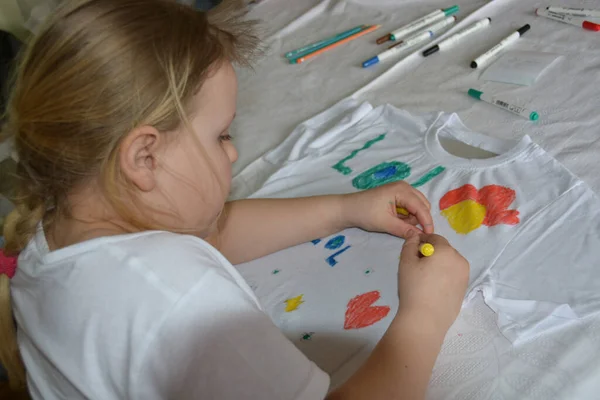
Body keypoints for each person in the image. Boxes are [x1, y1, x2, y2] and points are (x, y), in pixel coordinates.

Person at [0, 0, 469, 399]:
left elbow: (213, 234)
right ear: (144, 156)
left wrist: (341, 210)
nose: (234, 150)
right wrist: (425, 317)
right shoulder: (181, 300)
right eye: (220, 134)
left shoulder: (52, 231)